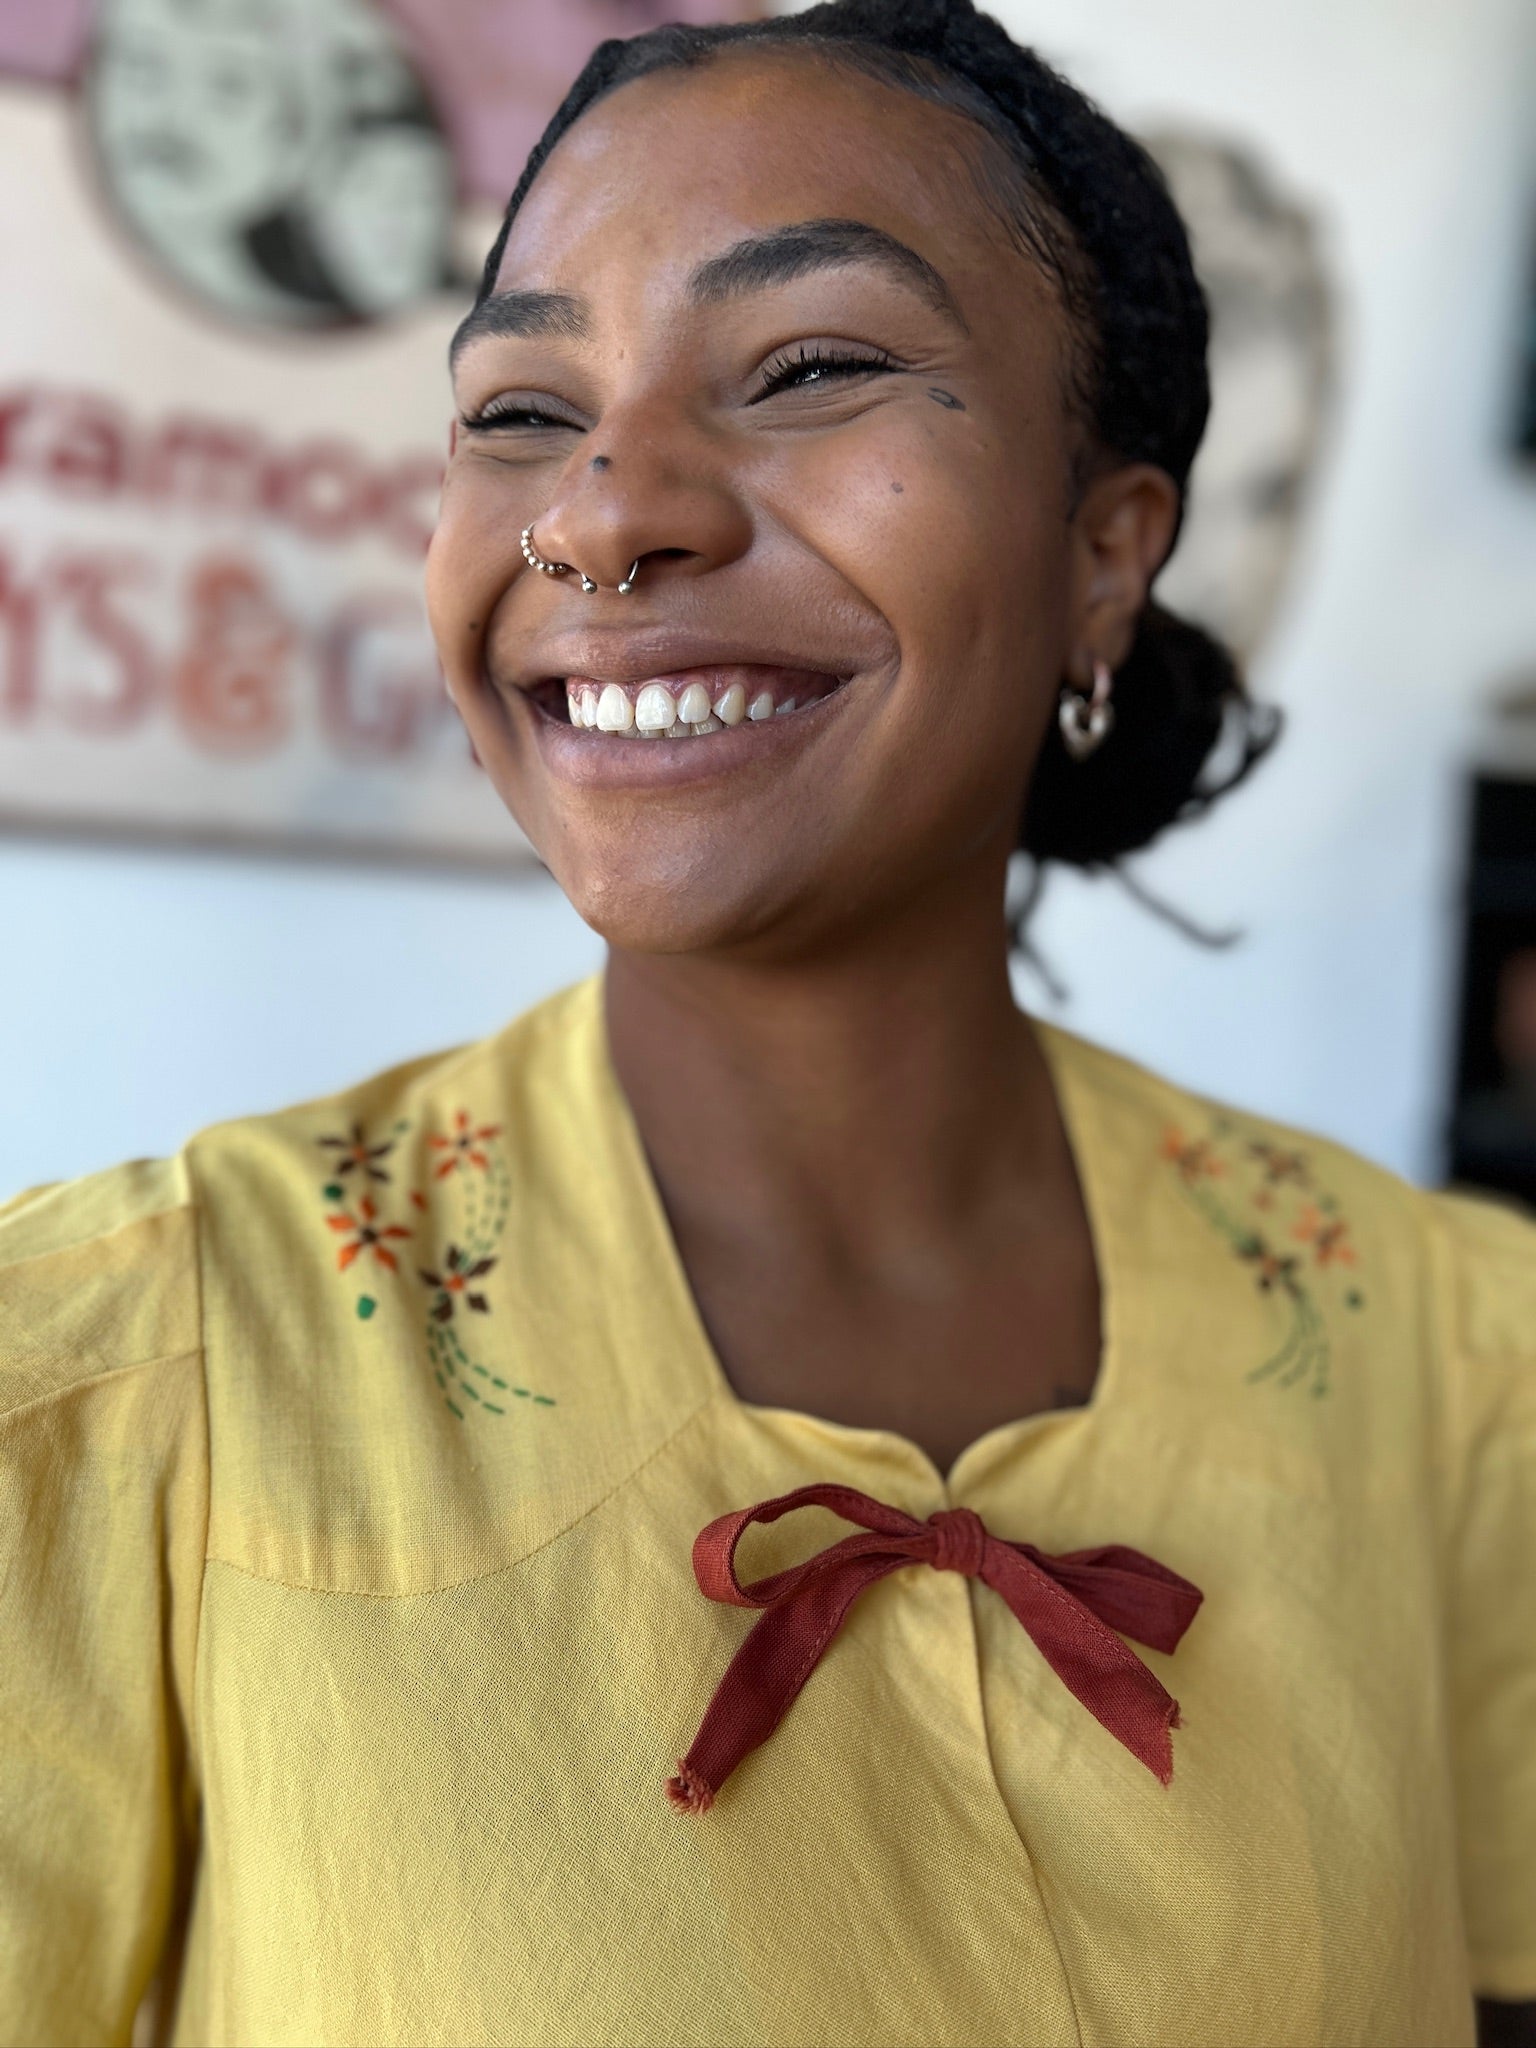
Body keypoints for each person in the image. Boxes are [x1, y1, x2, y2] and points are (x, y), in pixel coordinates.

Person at [2, 4, 1532, 2044]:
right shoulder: (131, 1384)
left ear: (1107, 556)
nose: (603, 511)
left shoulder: (1460, 1365)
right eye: (521, 411)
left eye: (810, 366)